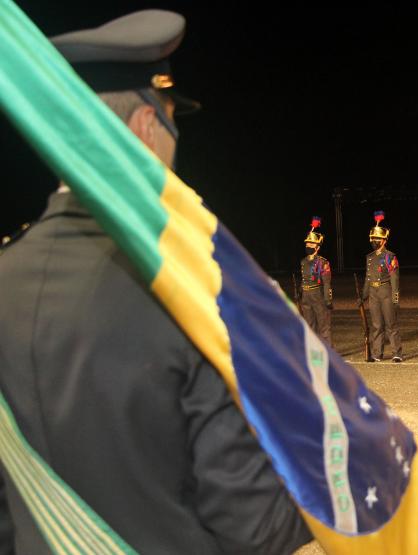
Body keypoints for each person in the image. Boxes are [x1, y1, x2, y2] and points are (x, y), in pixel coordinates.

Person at [0, 10, 312, 553]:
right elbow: (252, 526)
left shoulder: (8, 272)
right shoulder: (187, 288)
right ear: (148, 127)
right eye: (174, 121)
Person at [362, 211, 403, 362]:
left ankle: (397, 352)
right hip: (373, 292)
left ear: (384, 240)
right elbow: (367, 277)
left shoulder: (389, 257)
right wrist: (363, 294)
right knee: (376, 324)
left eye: (377, 239)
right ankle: (377, 353)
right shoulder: (370, 258)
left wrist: (395, 297)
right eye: (373, 238)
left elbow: (394, 278)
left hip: (386, 291)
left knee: (391, 324)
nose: (374, 241)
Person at [299, 217, 334, 345]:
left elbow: (326, 283)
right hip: (306, 296)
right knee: (309, 325)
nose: (308, 246)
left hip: (318, 295)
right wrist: (300, 291)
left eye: (311, 244)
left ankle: (328, 351)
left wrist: (328, 299)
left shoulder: (322, 262)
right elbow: (304, 279)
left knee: (323, 325)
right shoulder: (303, 261)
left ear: (317, 247)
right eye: (307, 244)